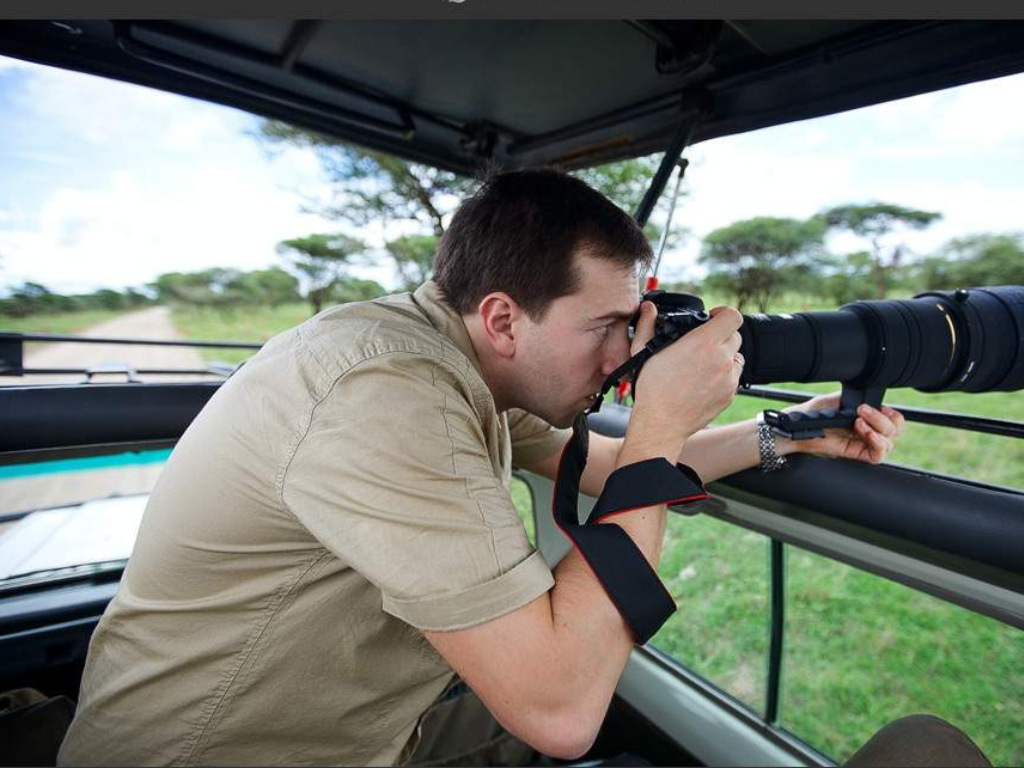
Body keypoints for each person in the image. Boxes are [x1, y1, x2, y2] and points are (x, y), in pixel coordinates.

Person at [58, 170, 906, 766]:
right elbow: (561, 709)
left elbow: (612, 464)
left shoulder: (458, 357)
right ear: (503, 318)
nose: (625, 355)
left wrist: (787, 432)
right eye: (608, 326)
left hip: (357, 734)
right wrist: (657, 418)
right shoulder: (386, 394)